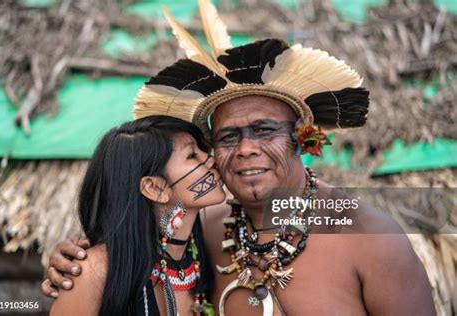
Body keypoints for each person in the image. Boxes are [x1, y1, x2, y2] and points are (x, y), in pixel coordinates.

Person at [42, 1, 436, 315]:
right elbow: (122, 248)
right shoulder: (204, 230)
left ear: (303, 137)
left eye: (264, 130)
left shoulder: (370, 237)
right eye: (229, 137)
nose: (246, 149)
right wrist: (74, 262)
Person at [48, 115, 226, 315]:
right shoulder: (92, 271)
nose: (211, 160)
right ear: (155, 188)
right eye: (192, 155)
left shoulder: (203, 255)